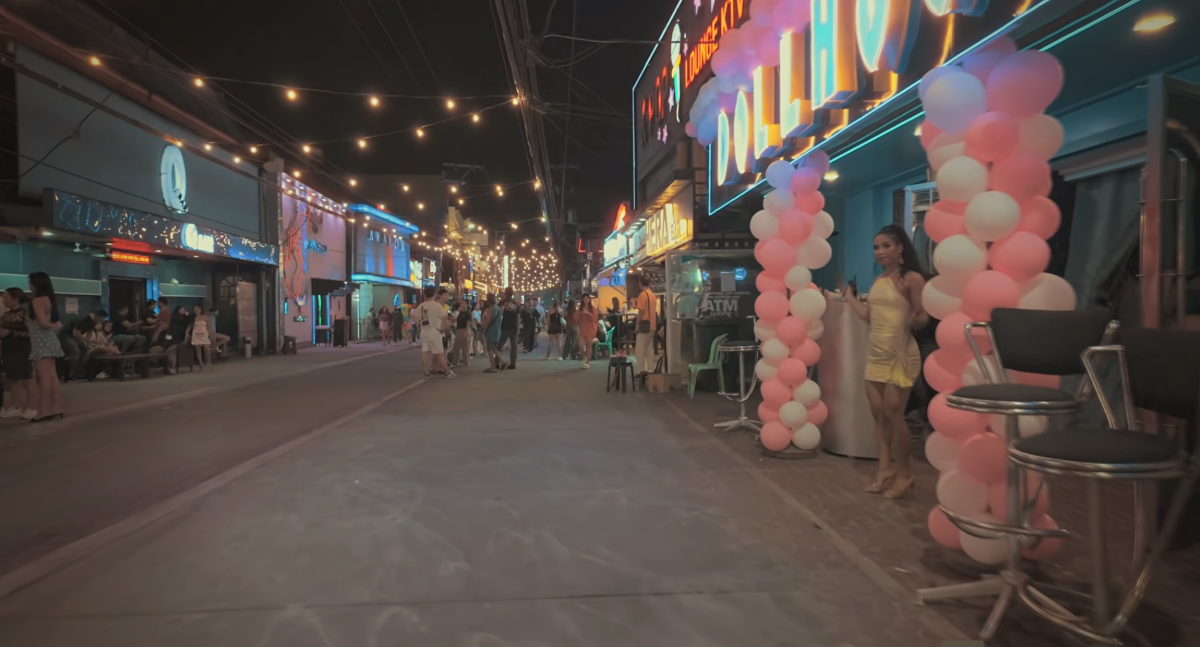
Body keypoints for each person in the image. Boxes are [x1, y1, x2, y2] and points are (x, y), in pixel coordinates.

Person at [838, 224, 927, 500]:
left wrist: (917, 318)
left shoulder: (911, 279)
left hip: (900, 354)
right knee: (878, 414)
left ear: (900, 248)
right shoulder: (879, 281)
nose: (880, 251)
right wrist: (849, 298)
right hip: (876, 354)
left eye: (886, 245)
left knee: (893, 413)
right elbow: (868, 316)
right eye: (876, 247)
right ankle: (884, 468)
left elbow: (923, 316)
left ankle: (905, 474)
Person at [27, 272, 64, 422]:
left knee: (43, 379)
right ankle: (57, 407)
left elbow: (43, 323)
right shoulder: (49, 299)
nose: (29, 286)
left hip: (41, 342)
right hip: (50, 341)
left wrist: (55, 325)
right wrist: (55, 325)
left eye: (30, 282)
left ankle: (44, 410)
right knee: (52, 376)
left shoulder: (37, 300)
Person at [0, 288, 35, 419]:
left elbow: (31, 333)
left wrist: (11, 333)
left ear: (16, 299)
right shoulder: (6, 315)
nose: (3, 300)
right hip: (8, 349)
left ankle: (32, 407)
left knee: (27, 378)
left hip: (22, 349)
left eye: (6, 298)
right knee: (12, 378)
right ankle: (16, 406)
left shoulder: (25, 313)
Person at [412, 286, 457, 379]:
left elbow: (412, 315)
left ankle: (426, 370)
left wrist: (419, 323)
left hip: (424, 331)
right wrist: (442, 329)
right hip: (435, 331)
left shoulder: (422, 305)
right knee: (439, 352)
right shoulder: (436, 305)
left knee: (424, 352)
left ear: (425, 295)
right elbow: (444, 317)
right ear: (434, 294)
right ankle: (447, 372)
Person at [632, 275, 658, 378]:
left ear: (640, 283)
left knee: (639, 350)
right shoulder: (652, 295)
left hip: (644, 326)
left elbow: (641, 311)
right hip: (652, 325)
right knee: (649, 349)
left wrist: (637, 324)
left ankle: (641, 371)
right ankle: (651, 370)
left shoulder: (643, 295)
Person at [497, 287, 520, 370]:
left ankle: (498, 362)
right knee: (514, 345)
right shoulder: (516, 303)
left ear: (505, 293)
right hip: (514, 326)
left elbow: (499, 314)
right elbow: (518, 316)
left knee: (499, 345)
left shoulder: (502, 302)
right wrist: (518, 326)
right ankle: (513, 363)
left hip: (505, 326)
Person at [480, 295, 503, 373]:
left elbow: (488, 321)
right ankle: (503, 362)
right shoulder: (498, 309)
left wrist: (484, 329)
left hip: (491, 331)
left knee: (489, 349)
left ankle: (493, 367)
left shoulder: (490, 310)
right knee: (494, 348)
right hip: (498, 330)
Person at [577, 294, 600, 369]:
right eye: (584, 298)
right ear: (582, 299)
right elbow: (577, 318)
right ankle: (584, 357)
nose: (586, 299)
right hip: (582, 328)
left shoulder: (592, 308)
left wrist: (587, 313)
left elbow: (595, 318)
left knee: (588, 345)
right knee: (581, 344)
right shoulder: (580, 308)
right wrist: (580, 314)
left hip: (591, 328)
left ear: (589, 299)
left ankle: (587, 361)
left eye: (587, 298)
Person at [187, 305, 213, 370]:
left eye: (198, 309)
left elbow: (208, 326)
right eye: (195, 309)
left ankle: (208, 362)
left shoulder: (205, 317)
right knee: (198, 350)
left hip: (204, 334)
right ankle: (201, 364)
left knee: (207, 349)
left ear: (201, 310)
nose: (196, 310)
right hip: (196, 334)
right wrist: (187, 333)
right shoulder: (193, 318)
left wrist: (210, 334)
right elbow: (190, 326)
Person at [451, 300, 471, 368]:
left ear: (467, 305)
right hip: (458, 330)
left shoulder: (467, 313)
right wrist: (452, 319)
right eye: (461, 303)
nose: (462, 305)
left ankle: (466, 362)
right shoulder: (461, 312)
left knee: (465, 347)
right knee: (456, 347)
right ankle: (455, 362)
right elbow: (458, 320)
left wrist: (466, 332)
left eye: (464, 303)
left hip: (463, 330)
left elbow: (468, 323)